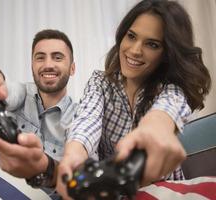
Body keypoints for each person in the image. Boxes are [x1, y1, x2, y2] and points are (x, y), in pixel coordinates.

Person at [56, 0, 211, 199]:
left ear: (167, 54)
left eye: (152, 44)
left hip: (161, 192)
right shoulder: (100, 83)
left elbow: (165, 112)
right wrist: (74, 154)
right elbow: (87, 119)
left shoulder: (172, 90)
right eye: (131, 36)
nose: (135, 50)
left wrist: (155, 128)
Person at [0, 29, 77, 199]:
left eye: (57, 57)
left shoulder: (81, 117)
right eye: (40, 57)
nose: (48, 64)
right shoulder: (23, 93)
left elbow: (76, 179)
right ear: (32, 65)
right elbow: (6, 90)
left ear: (72, 68)